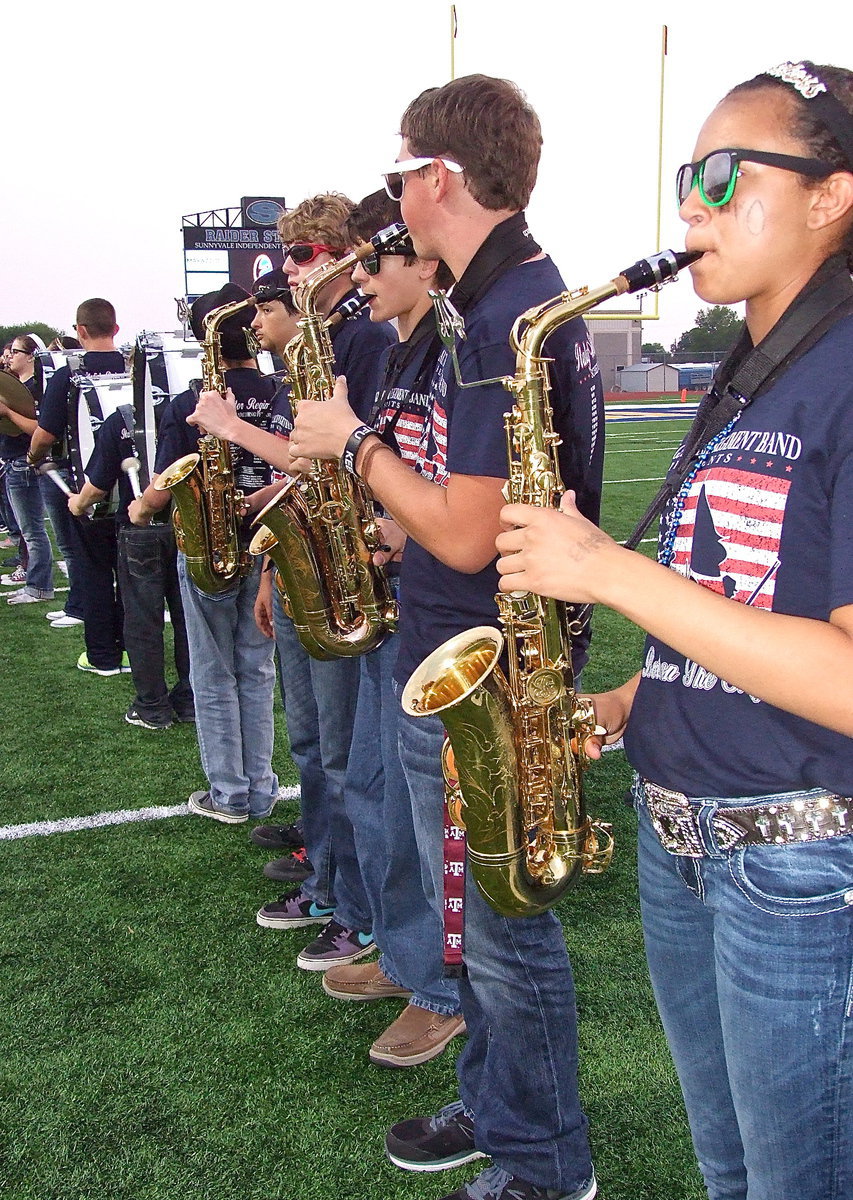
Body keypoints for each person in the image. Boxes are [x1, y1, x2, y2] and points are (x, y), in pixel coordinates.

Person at [495, 60, 853, 1200]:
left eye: (717, 175)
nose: (687, 206)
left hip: (798, 861)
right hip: (680, 842)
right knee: (729, 1175)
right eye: (681, 178)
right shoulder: (748, 370)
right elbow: (743, 605)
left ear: (829, 194)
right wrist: (622, 702)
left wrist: (606, 573)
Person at [290, 76, 603, 1200]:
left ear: (438, 179)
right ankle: (504, 1103)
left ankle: (544, 1165)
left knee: (508, 939)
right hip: (476, 654)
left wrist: (353, 442)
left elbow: (468, 534)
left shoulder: (500, 313)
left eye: (397, 176)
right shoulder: (506, 297)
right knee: (482, 932)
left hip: (485, 661)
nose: (393, 206)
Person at [193, 195, 397, 971]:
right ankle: (333, 882)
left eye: (307, 252)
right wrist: (279, 561)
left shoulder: (367, 341)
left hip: (359, 568)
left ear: (348, 253)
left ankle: (358, 907)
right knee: (314, 744)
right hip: (313, 556)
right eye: (291, 255)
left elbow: (339, 459)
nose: (290, 267)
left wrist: (235, 431)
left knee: (346, 758)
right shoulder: (326, 339)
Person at [128, 283, 279, 820]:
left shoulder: (189, 403)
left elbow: (168, 480)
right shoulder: (280, 391)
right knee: (257, 669)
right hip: (266, 541)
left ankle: (229, 794)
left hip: (209, 547)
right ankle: (261, 787)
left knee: (213, 673)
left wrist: (141, 509)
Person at [67, 402, 193, 730]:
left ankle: (152, 707)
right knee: (187, 618)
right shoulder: (188, 406)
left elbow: (96, 488)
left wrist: (77, 504)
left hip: (140, 530)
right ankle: (190, 699)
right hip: (187, 525)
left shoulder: (122, 419)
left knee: (142, 622)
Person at [28, 299, 126, 670]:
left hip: (85, 489)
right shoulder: (139, 369)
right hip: (134, 489)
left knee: (95, 574)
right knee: (134, 578)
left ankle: (103, 656)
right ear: (115, 328)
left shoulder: (66, 374)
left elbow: (46, 434)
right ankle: (134, 651)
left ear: (80, 331)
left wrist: (34, 457)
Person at [0, 335, 54, 604]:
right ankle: (32, 580)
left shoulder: (35, 388)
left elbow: (37, 429)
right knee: (25, 531)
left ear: (31, 355)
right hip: (14, 462)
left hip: (25, 462)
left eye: (16, 352)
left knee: (33, 531)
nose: (10, 356)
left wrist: (8, 413)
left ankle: (39, 586)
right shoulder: (17, 385)